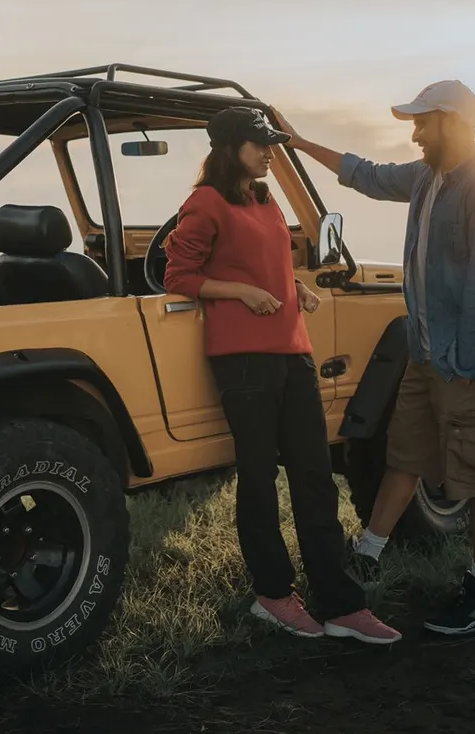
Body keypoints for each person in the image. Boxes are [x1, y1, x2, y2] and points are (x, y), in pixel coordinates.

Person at [272, 80, 475, 636]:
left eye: (423, 122)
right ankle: (368, 552)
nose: (414, 133)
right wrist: (296, 143)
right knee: (405, 454)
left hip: (470, 363)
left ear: (454, 124)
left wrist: (459, 366)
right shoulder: (428, 177)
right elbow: (366, 173)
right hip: (428, 353)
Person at [163, 106, 401, 644]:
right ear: (230, 148)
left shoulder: (264, 198)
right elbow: (177, 275)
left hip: (292, 350)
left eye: (270, 142)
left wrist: (298, 288)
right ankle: (273, 595)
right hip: (242, 357)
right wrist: (243, 292)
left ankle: (341, 605)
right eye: (259, 143)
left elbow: (268, 263)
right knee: (259, 477)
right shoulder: (205, 202)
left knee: (315, 476)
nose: (270, 151)